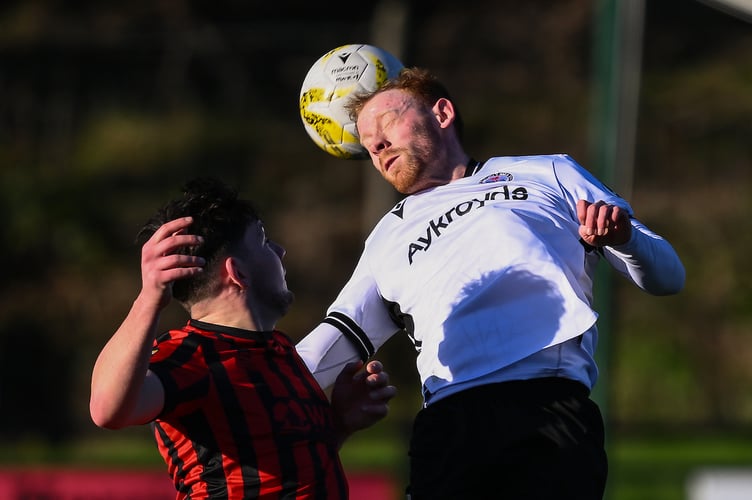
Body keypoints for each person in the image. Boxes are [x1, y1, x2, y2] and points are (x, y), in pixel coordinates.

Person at [295, 67, 686, 499]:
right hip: (447, 424)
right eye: (367, 145)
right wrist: (241, 384)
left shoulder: (548, 172)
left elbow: (669, 277)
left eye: (386, 124)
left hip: (547, 410)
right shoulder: (388, 234)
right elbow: (337, 338)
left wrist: (624, 237)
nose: (378, 145)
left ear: (441, 113)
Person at [89, 177, 396, 500]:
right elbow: (107, 410)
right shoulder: (191, 354)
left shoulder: (282, 353)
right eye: (264, 242)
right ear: (238, 273)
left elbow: (280, 472)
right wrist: (149, 298)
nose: (280, 249)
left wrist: (338, 424)